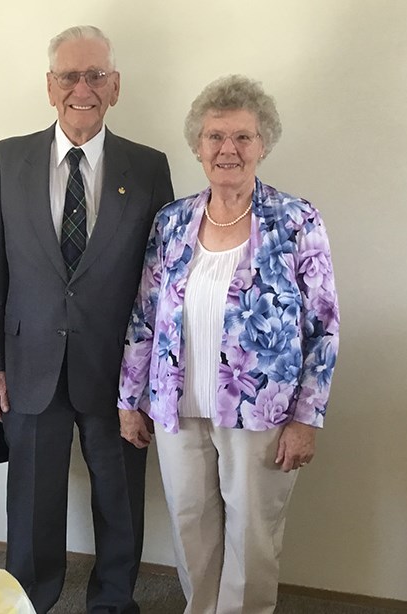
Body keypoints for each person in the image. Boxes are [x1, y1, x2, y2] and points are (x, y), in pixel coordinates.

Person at [118, 74, 340, 613]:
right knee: (190, 529)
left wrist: (307, 417)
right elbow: (145, 313)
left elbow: (324, 324)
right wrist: (129, 399)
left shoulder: (295, 219)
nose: (228, 149)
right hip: (177, 407)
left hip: (262, 411)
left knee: (253, 535)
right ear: (198, 146)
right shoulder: (171, 222)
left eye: (243, 137)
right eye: (216, 136)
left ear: (263, 144)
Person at [0, 25, 174, 614]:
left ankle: (113, 603)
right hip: (29, 362)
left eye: (95, 76)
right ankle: (28, 602)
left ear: (115, 86)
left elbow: (160, 283)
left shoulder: (147, 167)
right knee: (32, 504)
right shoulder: (7, 158)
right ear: (50, 86)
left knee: (118, 500)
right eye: (69, 75)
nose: (81, 88)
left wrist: (148, 377)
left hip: (116, 372)